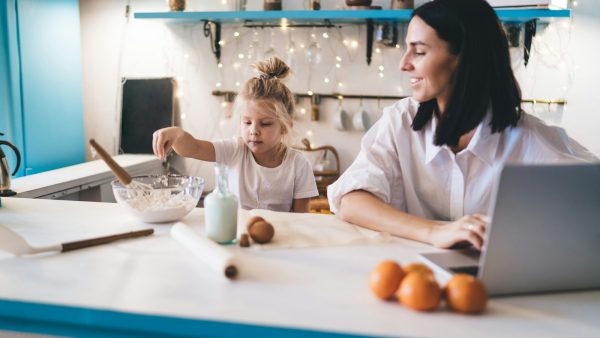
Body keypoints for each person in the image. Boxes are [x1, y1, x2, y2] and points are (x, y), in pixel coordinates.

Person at [328, 0, 597, 249]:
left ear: (464, 58)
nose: (404, 64)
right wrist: (434, 232)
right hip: (410, 279)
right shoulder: (400, 121)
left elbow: (589, 197)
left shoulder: (529, 139)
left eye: (419, 51)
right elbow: (351, 200)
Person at [153, 57, 319, 212]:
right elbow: (193, 148)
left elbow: (301, 218)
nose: (254, 130)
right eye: (247, 122)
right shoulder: (234, 150)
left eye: (265, 123)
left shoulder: (298, 165)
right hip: (234, 233)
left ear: (285, 126)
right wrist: (177, 134)